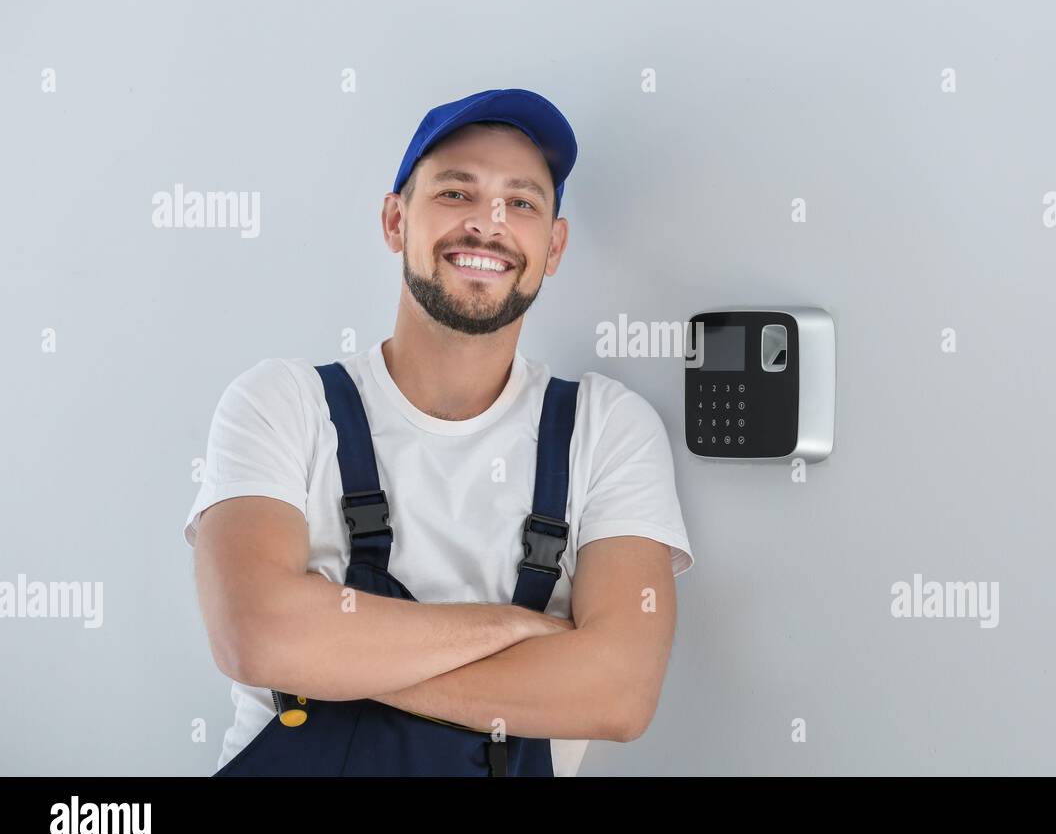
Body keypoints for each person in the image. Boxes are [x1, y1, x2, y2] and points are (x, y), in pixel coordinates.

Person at [183, 88, 693, 776]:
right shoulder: (283, 403)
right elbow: (255, 634)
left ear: (554, 245)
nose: (488, 224)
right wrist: (515, 630)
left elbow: (620, 691)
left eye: (522, 202)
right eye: (456, 193)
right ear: (395, 221)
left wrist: (335, 657)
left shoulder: (607, 429)